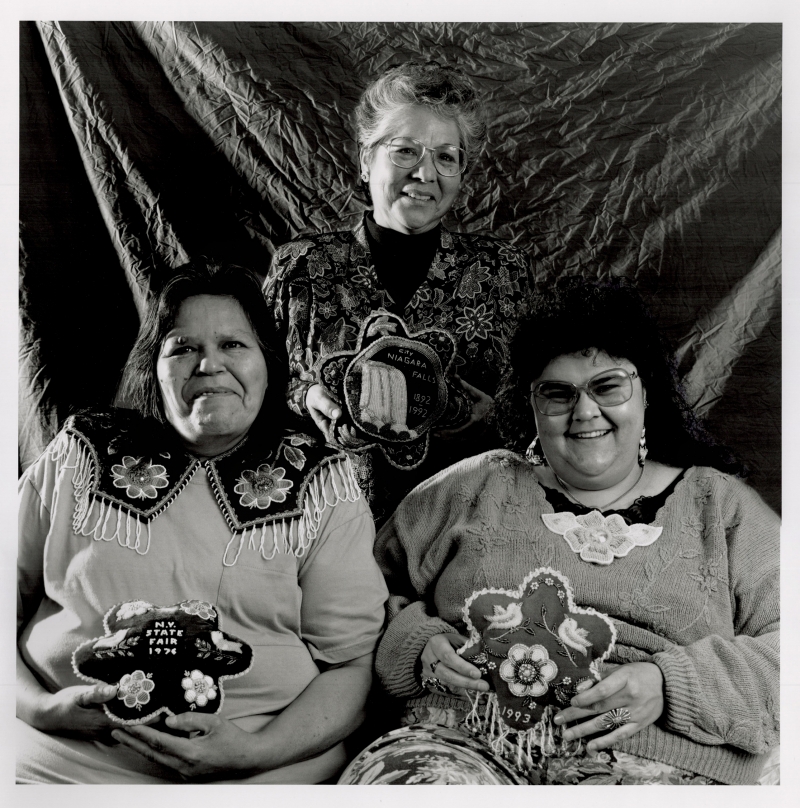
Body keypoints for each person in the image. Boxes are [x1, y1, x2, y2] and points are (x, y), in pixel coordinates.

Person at [340, 279, 779, 785]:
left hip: (647, 759)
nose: (585, 411)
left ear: (647, 393)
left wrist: (671, 685)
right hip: (459, 742)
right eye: (558, 393)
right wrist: (413, 643)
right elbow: (356, 596)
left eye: (608, 386)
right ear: (531, 407)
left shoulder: (719, 505)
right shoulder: (476, 483)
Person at [17, 259, 388, 784]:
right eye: (183, 347)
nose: (208, 365)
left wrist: (255, 751)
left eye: (233, 345)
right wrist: (36, 708)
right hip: (60, 764)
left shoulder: (320, 483)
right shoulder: (80, 455)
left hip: (259, 774)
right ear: (153, 367)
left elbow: (351, 668)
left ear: (268, 364)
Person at [264, 60, 534, 521]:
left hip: (463, 521)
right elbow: (256, 387)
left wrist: (496, 415)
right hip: (319, 518)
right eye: (406, 151)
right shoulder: (302, 266)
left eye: (446, 157)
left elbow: (536, 404)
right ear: (366, 160)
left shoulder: (501, 271)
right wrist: (306, 397)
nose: (426, 173)